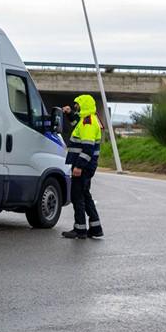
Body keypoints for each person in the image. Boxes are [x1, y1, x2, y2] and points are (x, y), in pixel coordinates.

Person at [61, 93, 104, 239]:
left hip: (83, 166)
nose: (75, 106)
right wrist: (69, 114)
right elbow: (76, 123)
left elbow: (88, 148)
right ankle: (96, 228)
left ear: (84, 105)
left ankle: (79, 230)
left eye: (77, 104)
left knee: (77, 196)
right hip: (86, 165)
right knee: (85, 195)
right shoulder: (86, 120)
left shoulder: (88, 122)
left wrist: (79, 166)